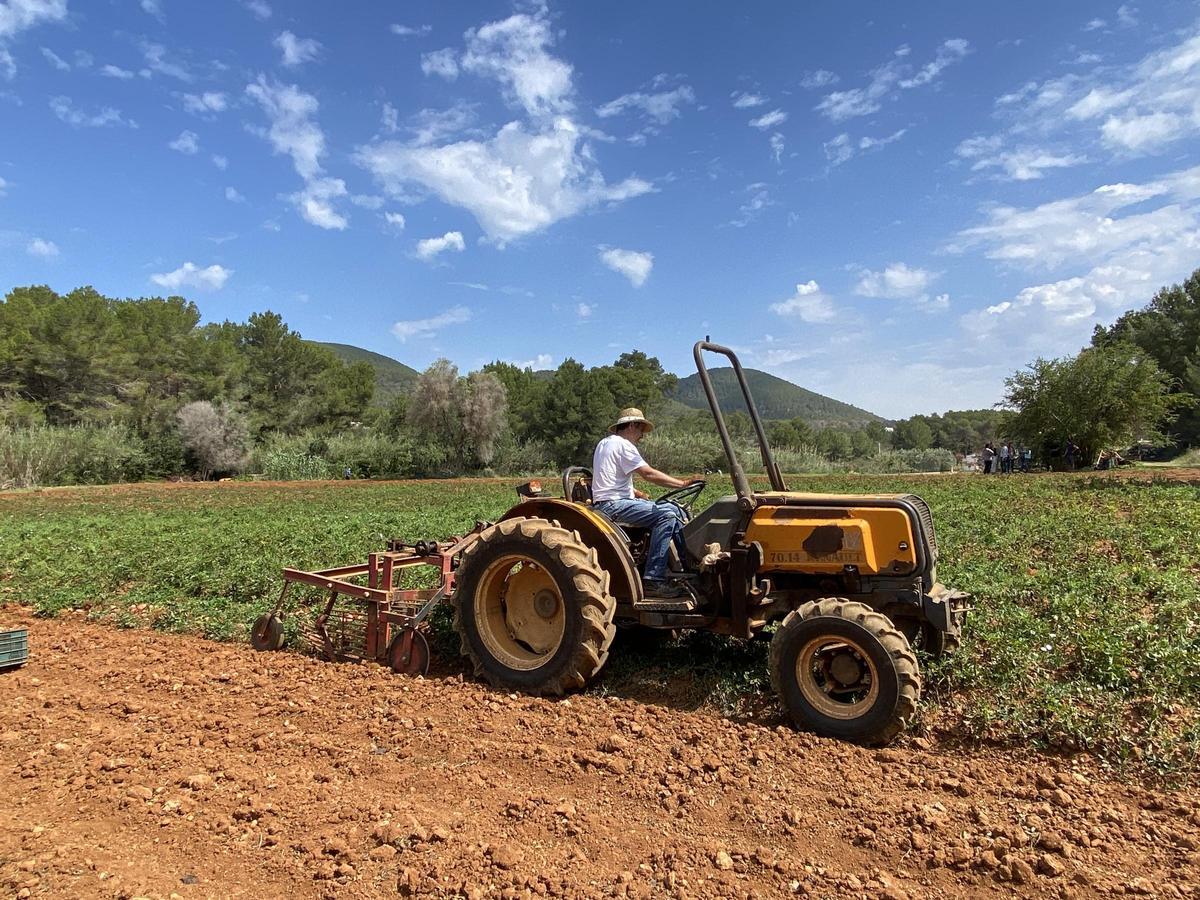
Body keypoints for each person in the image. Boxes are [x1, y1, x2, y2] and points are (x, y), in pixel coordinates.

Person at [591, 408, 701, 599]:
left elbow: (610, 478)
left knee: (674, 508)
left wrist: (637, 493)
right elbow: (647, 473)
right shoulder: (623, 445)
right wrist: (682, 483)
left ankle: (686, 569)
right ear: (632, 425)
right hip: (613, 505)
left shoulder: (604, 443)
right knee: (667, 515)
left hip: (610, 501)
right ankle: (654, 579)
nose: (642, 435)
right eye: (641, 429)